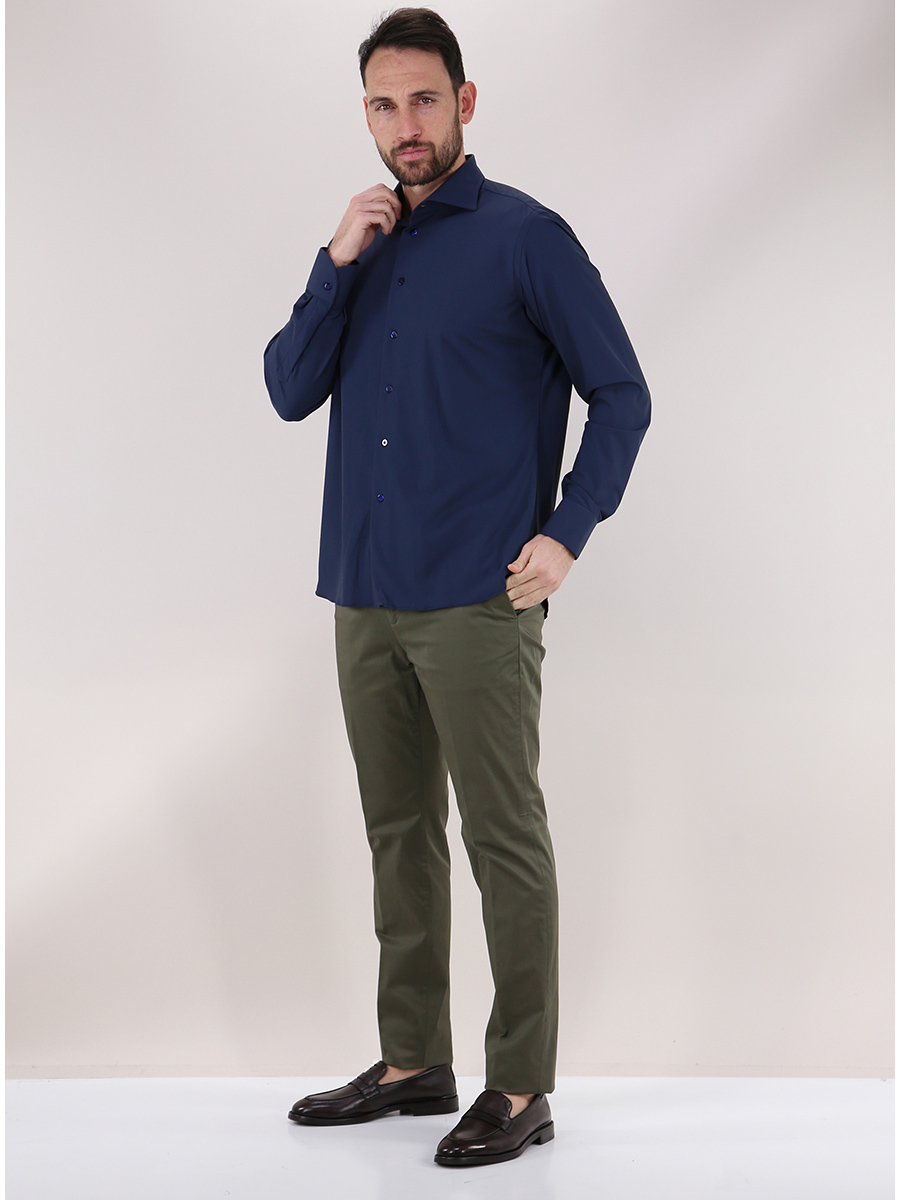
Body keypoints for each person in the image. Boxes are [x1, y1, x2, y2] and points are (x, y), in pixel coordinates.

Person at [263, 6, 650, 1169]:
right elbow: (287, 389)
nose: (406, 125)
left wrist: (567, 533)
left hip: (480, 597)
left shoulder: (529, 238)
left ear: (465, 102)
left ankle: (521, 1085)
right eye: (384, 105)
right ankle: (413, 1061)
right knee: (398, 833)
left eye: (424, 99)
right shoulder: (364, 247)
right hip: (363, 590)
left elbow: (622, 394)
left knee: (501, 836)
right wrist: (334, 263)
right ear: (367, 115)